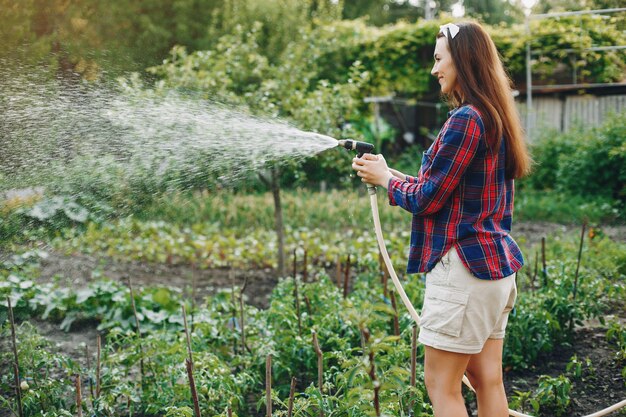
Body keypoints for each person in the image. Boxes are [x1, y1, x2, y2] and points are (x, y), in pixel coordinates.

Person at [351, 22, 532, 417]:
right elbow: (444, 187)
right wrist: (390, 175)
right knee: (488, 381)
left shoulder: (466, 119)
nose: (434, 69)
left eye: (438, 59)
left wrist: (386, 182)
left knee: (441, 386)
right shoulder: (493, 115)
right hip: (495, 271)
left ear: (463, 60)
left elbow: (428, 199)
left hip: (464, 271)